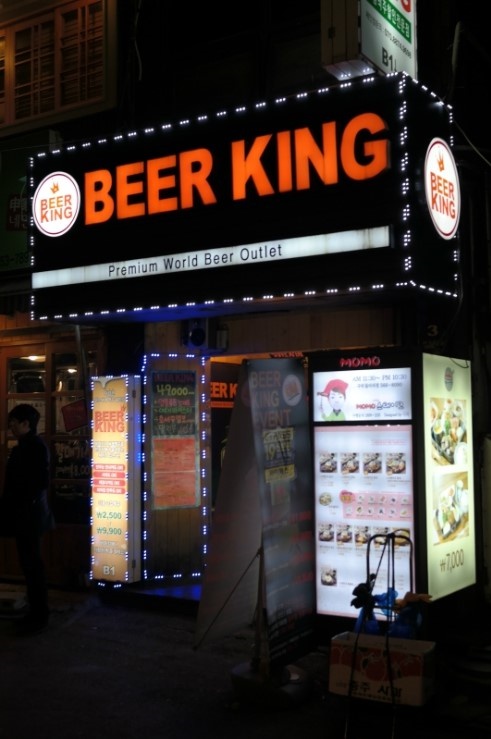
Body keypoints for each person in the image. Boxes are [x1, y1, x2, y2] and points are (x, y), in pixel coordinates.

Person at [0, 403, 54, 634]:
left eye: (14, 422)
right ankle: (36, 612)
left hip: (29, 516)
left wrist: (19, 501)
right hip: (27, 515)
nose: (10, 426)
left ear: (26, 424)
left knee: (32, 565)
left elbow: (39, 483)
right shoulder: (27, 446)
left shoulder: (34, 447)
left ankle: (39, 615)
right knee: (30, 564)